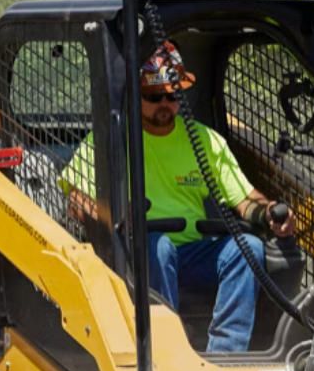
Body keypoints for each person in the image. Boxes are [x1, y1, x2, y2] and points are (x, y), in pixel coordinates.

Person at [58, 41, 295, 352]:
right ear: (135, 95)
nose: (165, 104)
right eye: (154, 96)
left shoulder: (205, 140)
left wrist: (269, 214)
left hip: (195, 252)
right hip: (139, 254)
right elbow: (76, 201)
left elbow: (245, 200)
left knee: (247, 246)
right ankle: (167, 348)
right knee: (160, 247)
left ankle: (227, 350)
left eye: (173, 95)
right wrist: (116, 215)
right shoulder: (110, 140)